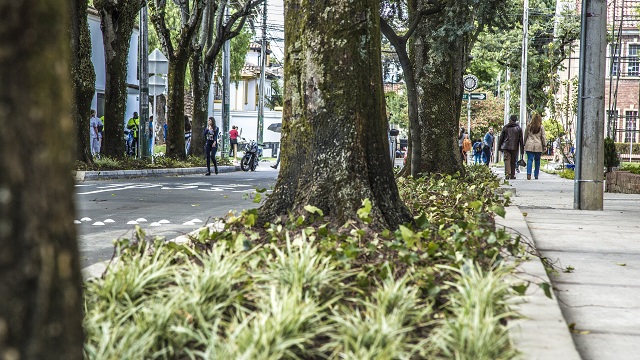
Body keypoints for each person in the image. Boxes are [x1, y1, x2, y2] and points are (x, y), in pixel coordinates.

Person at [524, 113, 547, 180]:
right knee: (537, 160)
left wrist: (524, 143)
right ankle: (536, 175)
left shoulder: (529, 126)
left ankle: (528, 174)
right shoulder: (541, 127)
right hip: (538, 145)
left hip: (529, 145)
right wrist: (544, 145)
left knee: (529, 159)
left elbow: (525, 135)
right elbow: (543, 137)